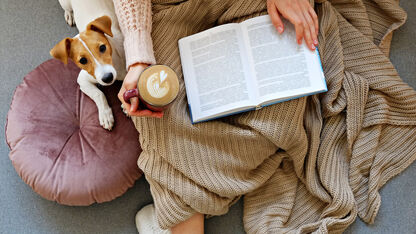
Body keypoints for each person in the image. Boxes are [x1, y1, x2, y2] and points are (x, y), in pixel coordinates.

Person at [113, 0, 319, 233]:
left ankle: (176, 211)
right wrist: (138, 56)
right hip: (171, 11)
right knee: (157, 106)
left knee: (280, 113)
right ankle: (181, 210)